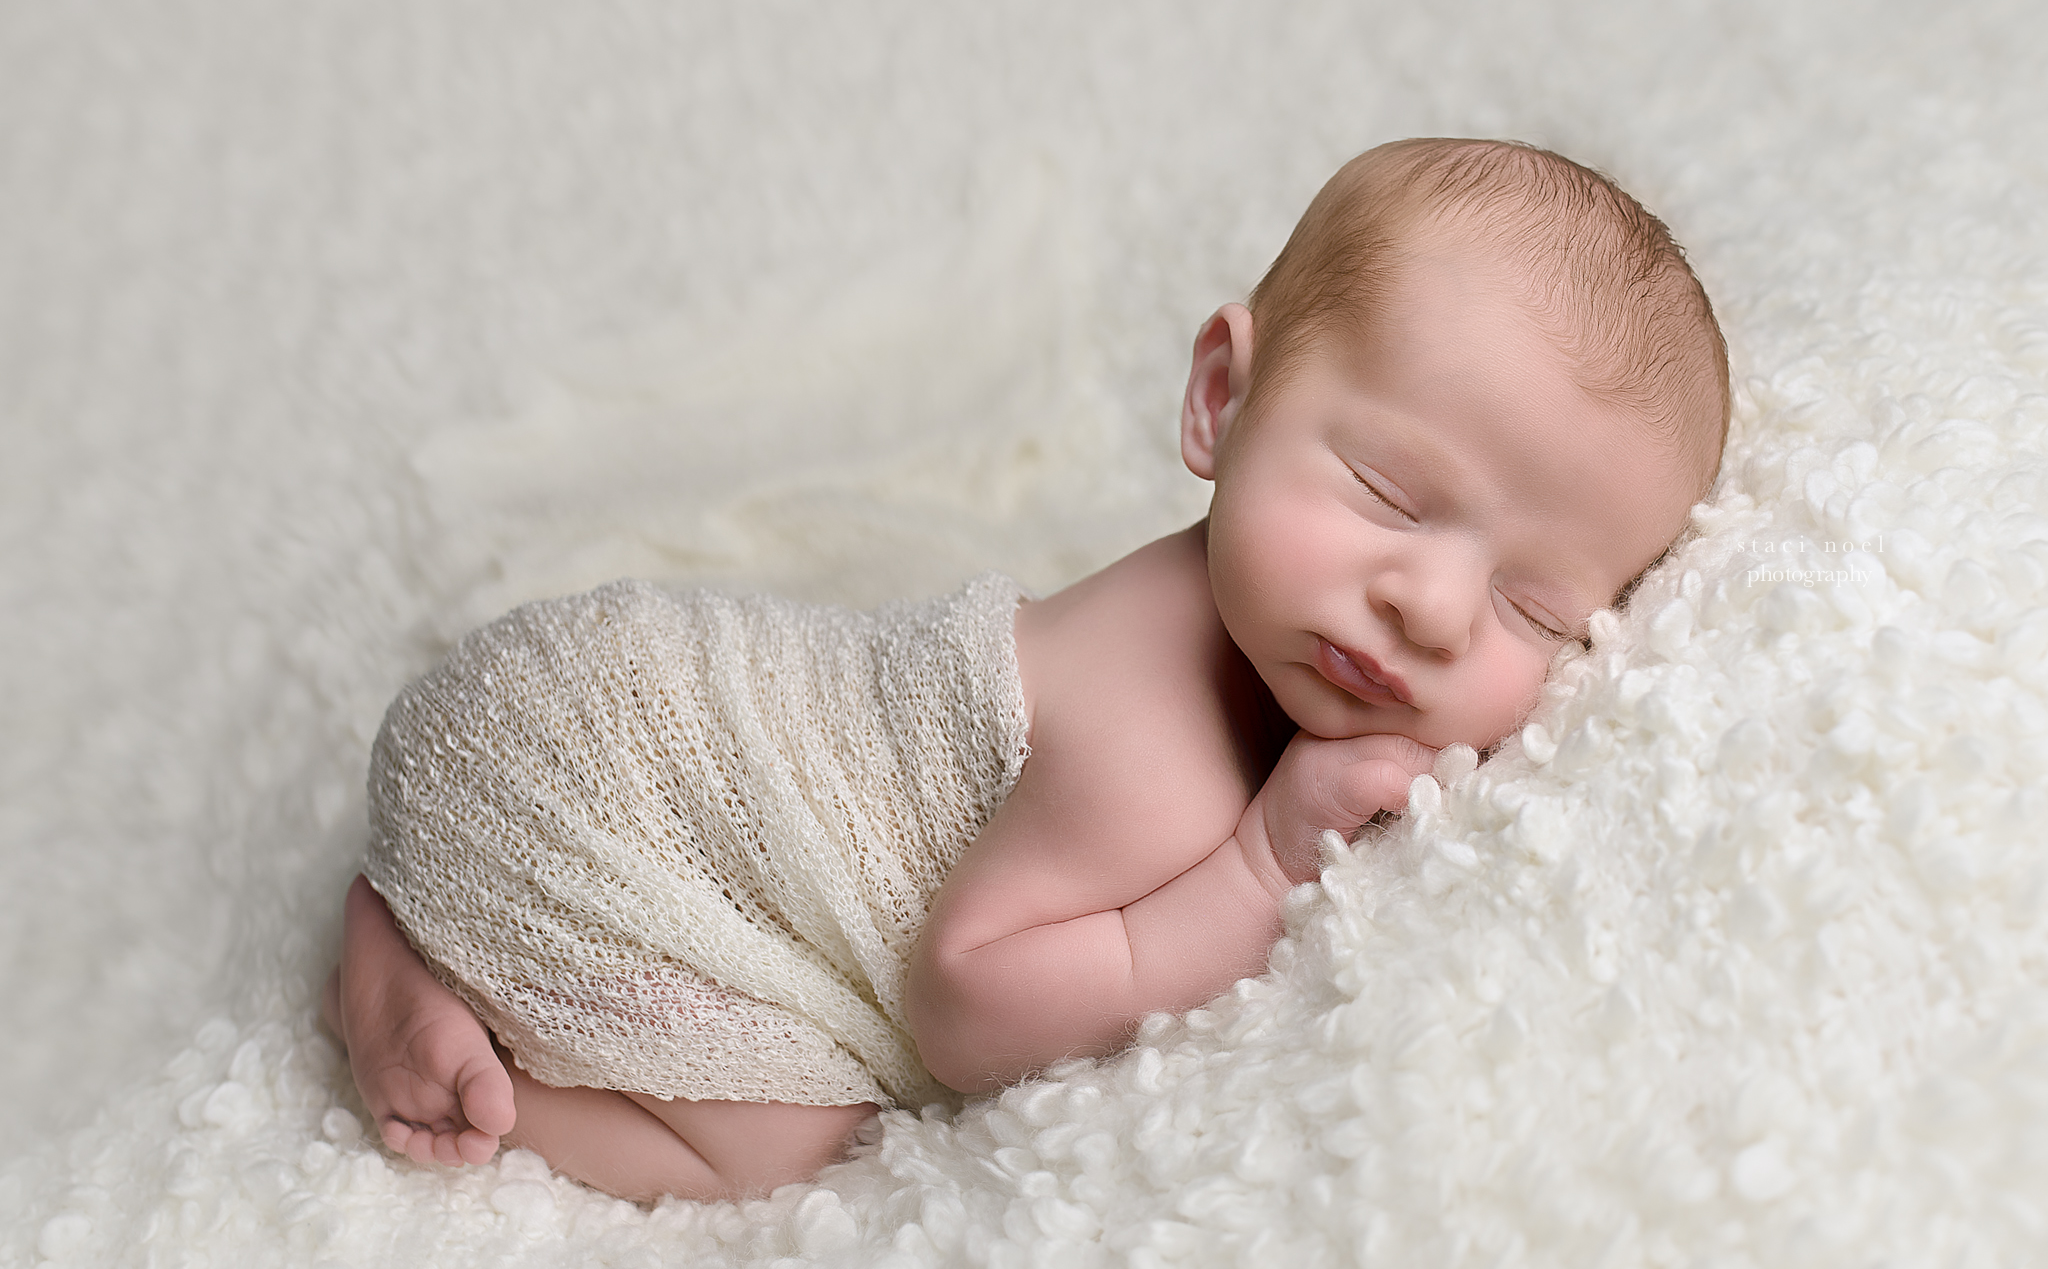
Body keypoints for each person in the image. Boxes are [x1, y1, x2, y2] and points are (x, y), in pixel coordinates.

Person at [323, 138, 1730, 1203]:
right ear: (1221, 400)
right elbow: (963, 1002)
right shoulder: (1152, 732)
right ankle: (429, 1011)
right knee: (784, 1140)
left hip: (610, 687)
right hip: (576, 782)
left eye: (1533, 609)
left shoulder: (1253, 611)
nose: (1430, 607)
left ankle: (420, 931)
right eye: (1385, 492)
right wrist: (1254, 870)